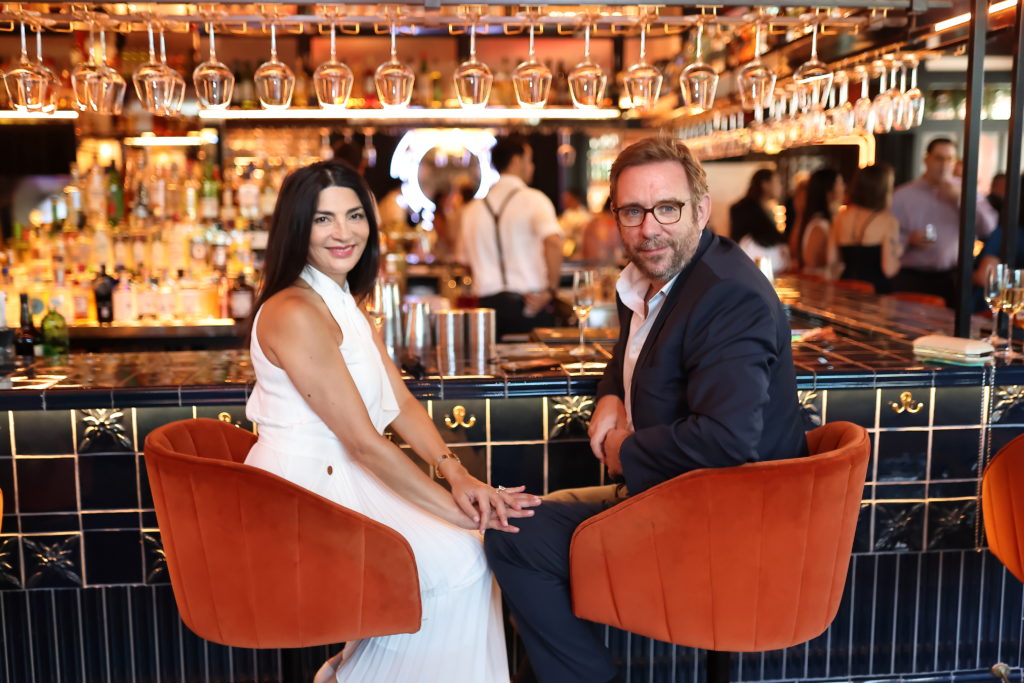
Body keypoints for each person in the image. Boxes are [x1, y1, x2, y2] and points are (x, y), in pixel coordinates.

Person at [484, 137, 808, 683]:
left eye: (667, 208)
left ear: (700, 210)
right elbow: (635, 352)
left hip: (723, 526)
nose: (649, 228)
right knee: (514, 521)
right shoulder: (654, 280)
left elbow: (729, 440)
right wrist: (611, 393)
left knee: (515, 537)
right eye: (632, 211)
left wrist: (621, 449)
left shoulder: (730, 295)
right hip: (674, 500)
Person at [243, 160, 540, 683]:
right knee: (463, 562)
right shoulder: (294, 309)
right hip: (304, 492)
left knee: (473, 554)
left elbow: (401, 403)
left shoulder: (342, 303)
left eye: (355, 216)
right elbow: (361, 441)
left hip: (344, 477)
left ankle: (350, 671)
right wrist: (456, 510)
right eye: (323, 220)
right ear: (295, 226)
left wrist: (459, 475)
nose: (344, 232)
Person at [461, 134, 564, 338]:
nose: (532, 166)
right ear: (517, 161)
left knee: (488, 366)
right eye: (530, 160)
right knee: (537, 368)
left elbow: (465, 262)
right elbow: (553, 242)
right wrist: (551, 290)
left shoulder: (472, 210)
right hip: (530, 305)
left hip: (486, 309)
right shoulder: (534, 200)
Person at [891, 137, 998, 307]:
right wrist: (909, 240)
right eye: (939, 158)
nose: (944, 164)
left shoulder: (967, 191)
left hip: (952, 278)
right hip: (910, 277)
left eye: (950, 159)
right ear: (926, 159)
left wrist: (961, 199)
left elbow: (988, 227)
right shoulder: (902, 195)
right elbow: (889, 236)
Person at [829, 163, 902, 294]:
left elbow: (831, 259)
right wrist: (899, 253)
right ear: (882, 190)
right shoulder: (888, 222)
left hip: (845, 287)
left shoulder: (841, 216)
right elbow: (889, 269)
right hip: (874, 293)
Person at [799, 168, 845, 277]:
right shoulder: (819, 225)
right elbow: (811, 266)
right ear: (829, 190)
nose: (844, 187)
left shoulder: (829, 221)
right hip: (819, 289)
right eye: (840, 183)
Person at [729, 167, 781, 244]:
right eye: (777, 182)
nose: (780, 187)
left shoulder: (765, 208)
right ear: (765, 185)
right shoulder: (746, 209)